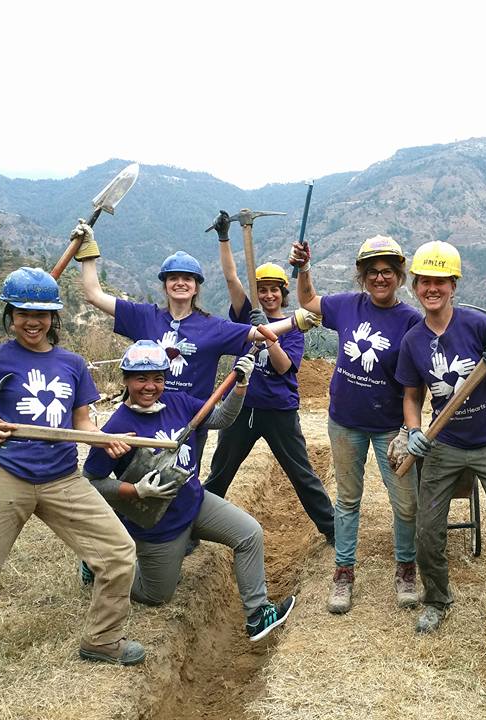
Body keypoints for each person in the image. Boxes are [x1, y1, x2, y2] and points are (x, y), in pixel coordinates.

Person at [0, 267, 143, 683]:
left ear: (54, 317)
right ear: (10, 313)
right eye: (23, 312)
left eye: (42, 313)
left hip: (63, 477)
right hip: (7, 474)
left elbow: (82, 423)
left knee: (117, 553)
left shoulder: (73, 364)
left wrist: (100, 440)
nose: (33, 321)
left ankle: (102, 639)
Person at [82, 340, 295, 641]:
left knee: (249, 534)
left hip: (195, 503)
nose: (150, 386)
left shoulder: (179, 402)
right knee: (156, 594)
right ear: (126, 379)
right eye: (141, 378)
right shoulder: (119, 427)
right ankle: (98, 563)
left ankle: (258, 614)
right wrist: (135, 491)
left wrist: (240, 387)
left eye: (158, 378)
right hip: (158, 523)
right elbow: (91, 481)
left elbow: (221, 418)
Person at [74, 220, 312, 465]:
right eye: (173, 278)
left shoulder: (213, 327)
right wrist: (87, 250)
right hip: (143, 417)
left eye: (187, 278)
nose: (180, 283)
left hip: (191, 421)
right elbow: (94, 294)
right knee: (134, 479)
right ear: (165, 285)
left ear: (196, 286)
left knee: (183, 486)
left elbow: (259, 333)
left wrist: (297, 320)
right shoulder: (144, 317)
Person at [391, 241, 486, 652]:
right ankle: (436, 599)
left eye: (441, 282)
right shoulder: (412, 340)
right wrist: (414, 430)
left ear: (453, 285)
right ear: (416, 286)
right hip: (443, 443)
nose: (432, 288)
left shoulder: (476, 325)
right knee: (428, 531)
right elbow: (412, 395)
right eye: (425, 281)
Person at [289, 233, 422, 613]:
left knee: (406, 503)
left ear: (399, 276)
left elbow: (416, 381)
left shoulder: (411, 321)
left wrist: (407, 429)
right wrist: (304, 268)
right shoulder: (348, 306)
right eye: (372, 272)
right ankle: (343, 573)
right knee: (347, 501)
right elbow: (308, 301)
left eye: (388, 272)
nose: (380, 278)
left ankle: (406, 569)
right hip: (345, 423)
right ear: (362, 276)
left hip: (389, 427)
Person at [202, 213, 334, 545]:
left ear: (282, 293)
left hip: (278, 411)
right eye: (262, 290)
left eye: (274, 290)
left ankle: (334, 531)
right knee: (219, 474)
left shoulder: (294, 326)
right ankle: (191, 529)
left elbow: (282, 366)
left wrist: (268, 334)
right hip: (240, 408)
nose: (269, 295)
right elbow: (232, 278)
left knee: (302, 475)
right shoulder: (245, 317)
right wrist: (224, 238)